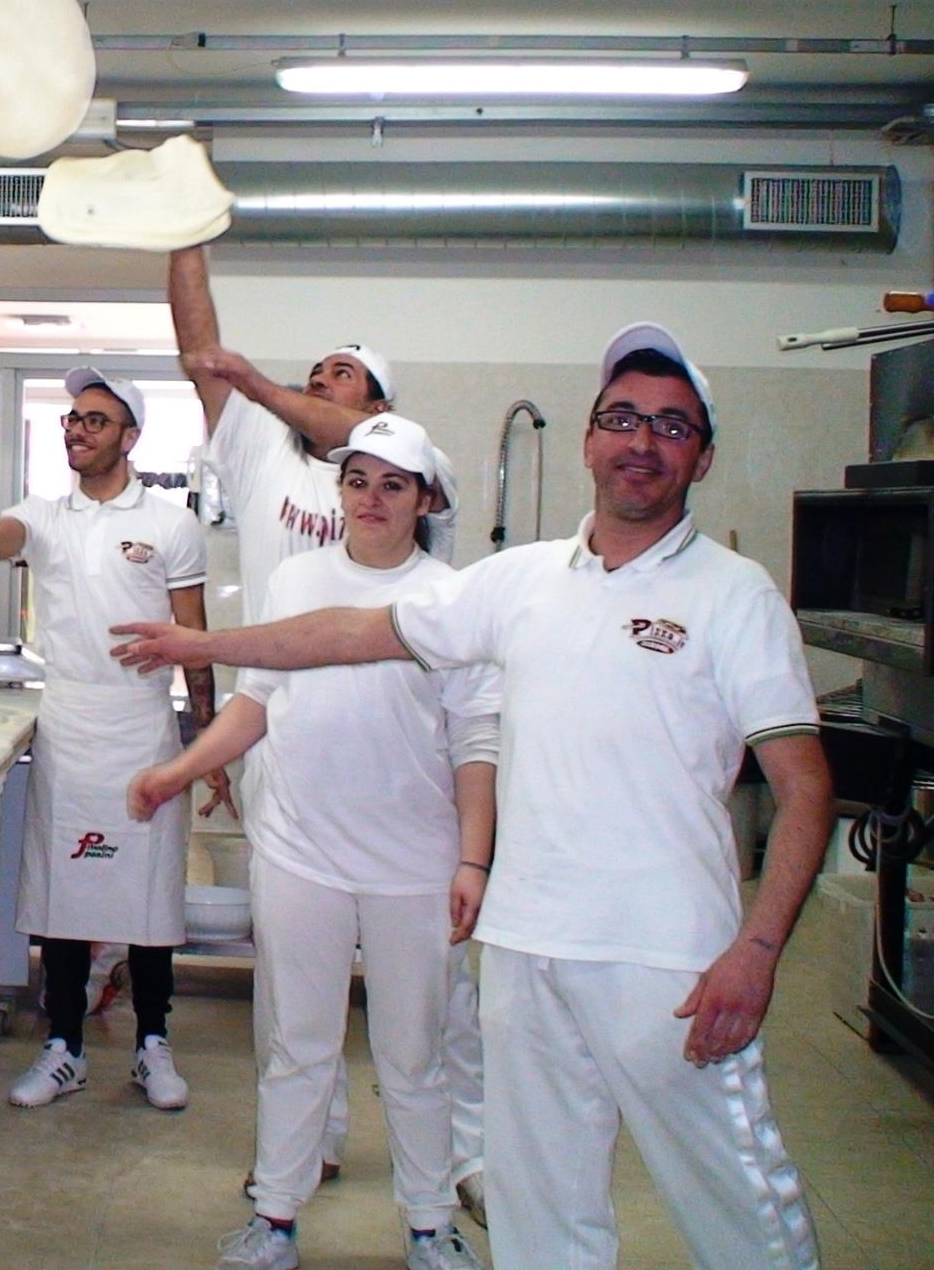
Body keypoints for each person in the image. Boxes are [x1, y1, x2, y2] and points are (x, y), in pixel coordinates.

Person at [112, 323, 832, 1270]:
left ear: (701, 456)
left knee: (733, 1197)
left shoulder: (735, 594)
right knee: (541, 1200)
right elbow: (344, 634)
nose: (641, 442)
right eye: (622, 418)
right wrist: (204, 647)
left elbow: (805, 788)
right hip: (527, 949)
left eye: (671, 426)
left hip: (665, 957)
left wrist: (759, 949)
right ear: (589, 440)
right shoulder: (519, 582)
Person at [129, 414, 495, 1270]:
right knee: (297, 1046)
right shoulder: (296, 580)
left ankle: (430, 1226)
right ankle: (276, 1218)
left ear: (425, 500)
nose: (371, 499)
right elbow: (256, 702)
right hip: (300, 853)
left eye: (392, 485)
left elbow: (476, 742)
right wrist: (180, 770)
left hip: (415, 865)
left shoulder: (453, 597)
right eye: (357, 481)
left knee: (414, 1055)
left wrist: (473, 860)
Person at [167, 243, 484, 1215]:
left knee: (426, 1020)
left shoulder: (422, 532)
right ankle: (306, 1158)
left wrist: (263, 384)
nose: (316, 382)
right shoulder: (269, 460)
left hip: (405, 808)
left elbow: (474, 734)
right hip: (289, 761)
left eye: (340, 374)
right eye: (312, 372)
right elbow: (199, 351)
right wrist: (184, 236)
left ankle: (454, 1175)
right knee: (293, 1003)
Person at [0, 368, 212, 1110]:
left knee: (150, 895)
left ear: (130, 437)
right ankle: (64, 1046)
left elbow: (195, 637)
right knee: (63, 892)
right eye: (72, 419)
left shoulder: (170, 525)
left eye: (96, 420)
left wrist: (208, 739)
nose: (77, 430)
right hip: (68, 722)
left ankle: (152, 1043)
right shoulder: (44, 517)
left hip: (143, 726)